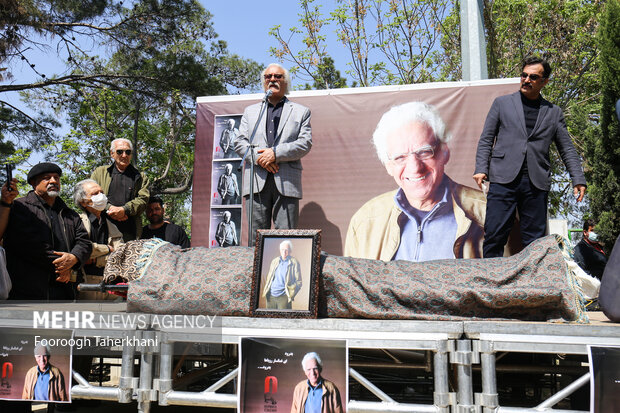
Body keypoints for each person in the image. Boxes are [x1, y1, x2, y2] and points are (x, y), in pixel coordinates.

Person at [474, 56, 587, 258]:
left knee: (534, 242)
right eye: (524, 75)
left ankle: (530, 286)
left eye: (533, 77)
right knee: (494, 235)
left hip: (535, 182)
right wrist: (481, 168)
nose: (526, 80)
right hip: (502, 179)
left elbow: (567, 148)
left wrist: (577, 178)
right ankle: (490, 285)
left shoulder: (553, 112)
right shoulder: (501, 104)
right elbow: (486, 139)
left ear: (544, 82)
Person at [345, 101, 486, 261]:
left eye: (424, 152)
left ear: (444, 153)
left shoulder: (489, 214)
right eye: (400, 157)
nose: (415, 168)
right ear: (388, 166)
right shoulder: (364, 221)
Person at [234, 63, 312, 239]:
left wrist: (275, 154)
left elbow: (304, 143)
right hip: (256, 180)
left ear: (286, 82)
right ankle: (257, 268)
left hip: (286, 183)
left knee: (286, 239)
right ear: (263, 82)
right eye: (268, 77)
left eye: (278, 76)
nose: (272, 80)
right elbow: (240, 142)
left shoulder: (301, 112)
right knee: (255, 240)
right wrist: (261, 159)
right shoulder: (250, 112)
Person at [0, 163, 91, 300]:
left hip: (66, 292)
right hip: (28, 293)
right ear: (33, 183)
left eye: (56, 178)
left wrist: (74, 258)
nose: (53, 181)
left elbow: (84, 243)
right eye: (47, 178)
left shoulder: (70, 214)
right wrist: (63, 267)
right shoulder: (20, 208)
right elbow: (29, 245)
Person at [73, 179, 124, 300]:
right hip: (86, 284)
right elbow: (82, 250)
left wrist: (96, 259)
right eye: (95, 194)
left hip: (111, 284)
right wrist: (107, 249)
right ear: (83, 202)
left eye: (102, 192)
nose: (101, 196)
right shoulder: (77, 222)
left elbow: (121, 254)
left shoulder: (112, 225)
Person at [91, 138, 150, 242]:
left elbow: (143, 200)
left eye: (128, 152)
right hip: (103, 229)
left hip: (130, 233)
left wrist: (124, 210)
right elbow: (91, 195)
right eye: (119, 151)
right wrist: (110, 209)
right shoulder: (99, 173)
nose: (124, 155)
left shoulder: (140, 177)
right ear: (112, 153)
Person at [261, 240, 302, 309]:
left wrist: (291, 293)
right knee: (269, 318)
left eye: (286, 250)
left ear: (290, 251)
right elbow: (269, 278)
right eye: (282, 249)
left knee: (284, 319)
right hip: (270, 296)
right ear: (280, 250)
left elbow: (299, 282)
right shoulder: (275, 261)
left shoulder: (294, 262)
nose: (284, 252)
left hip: (284, 297)